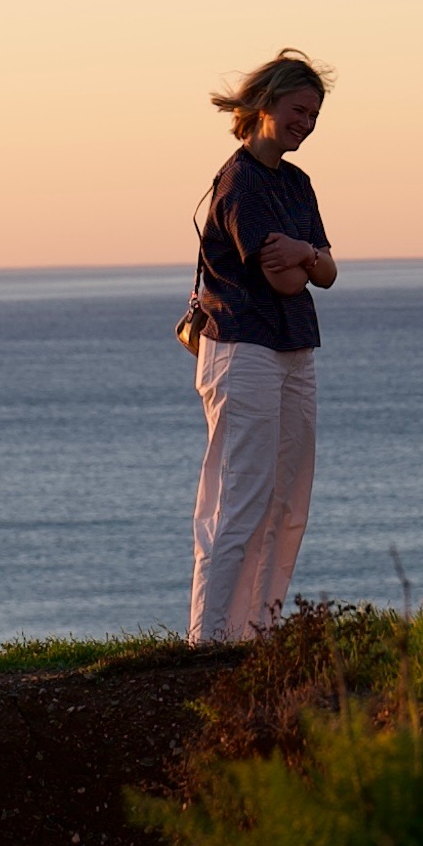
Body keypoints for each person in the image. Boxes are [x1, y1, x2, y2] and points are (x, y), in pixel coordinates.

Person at [185, 51, 338, 643]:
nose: (308, 123)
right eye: (299, 110)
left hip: (295, 347)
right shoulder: (240, 182)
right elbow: (287, 277)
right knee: (238, 498)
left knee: (288, 499)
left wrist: (304, 253)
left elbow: (324, 271)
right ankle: (210, 637)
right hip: (244, 349)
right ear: (266, 104)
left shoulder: (297, 183)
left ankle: (259, 632)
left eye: (315, 114)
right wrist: (309, 255)